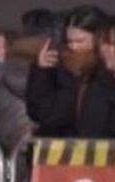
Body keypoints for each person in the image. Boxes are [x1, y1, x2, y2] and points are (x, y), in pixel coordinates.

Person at [26, 5, 105, 137]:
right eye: (69, 41)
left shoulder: (106, 69)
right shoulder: (58, 64)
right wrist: (42, 72)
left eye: (80, 41)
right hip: (60, 144)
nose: (73, 47)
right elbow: (39, 111)